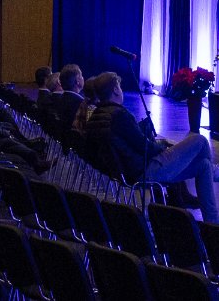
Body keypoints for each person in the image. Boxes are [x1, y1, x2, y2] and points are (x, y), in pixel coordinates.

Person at [83, 72, 218, 222]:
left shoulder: (96, 116)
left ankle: (212, 224)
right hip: (145, 170)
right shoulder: (119, 115)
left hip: (127, 172)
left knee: (203, 165)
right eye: (119, 87)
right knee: (198, 140)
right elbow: (144, 146)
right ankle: (216, 173)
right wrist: (164, 148)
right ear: (115, 90)